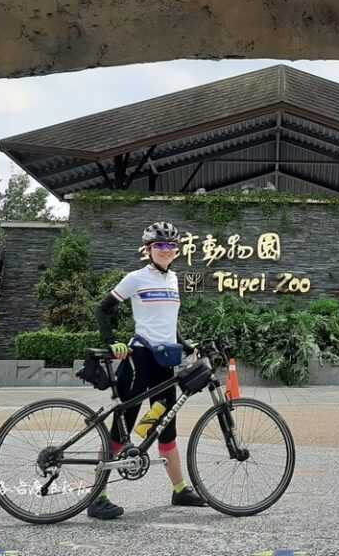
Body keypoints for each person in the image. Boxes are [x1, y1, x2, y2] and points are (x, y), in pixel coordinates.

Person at [87, 221, 206, 520]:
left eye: (170, 246)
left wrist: (187, 344)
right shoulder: (135, 278)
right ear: (148, 249)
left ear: (176, 251)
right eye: (159, 246)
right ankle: (97, 497)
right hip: (138, 359)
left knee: (167, 427)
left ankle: (179, 490)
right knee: (121, 428)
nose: (165, 250)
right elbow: (102, 309)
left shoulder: (173, 279)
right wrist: (112, 341)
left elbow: (169, 322)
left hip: (165, 363)